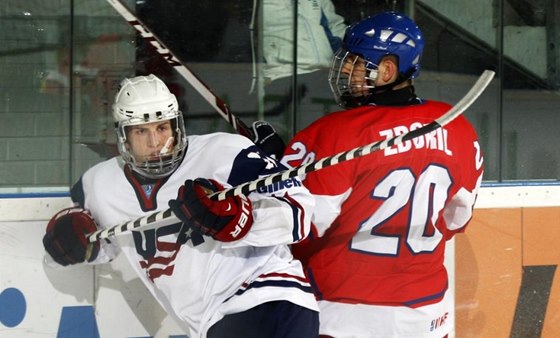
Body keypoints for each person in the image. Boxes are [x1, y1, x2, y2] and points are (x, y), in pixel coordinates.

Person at [42, 74, 319, 338]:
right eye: (141, 131)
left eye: (162, 128)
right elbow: (102, 244)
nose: (156, 143)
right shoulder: (99, 185)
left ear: (177, 125)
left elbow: (300, 213)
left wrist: (239, 220)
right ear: (123, 137)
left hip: (269, 298)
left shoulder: (225, 152)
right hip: (213, 323)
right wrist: (74, 244)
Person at [280, 12, 484, 338]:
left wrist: (280, 169)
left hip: (342, 308)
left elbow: (296, 228)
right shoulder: (456, 125)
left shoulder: (332, 133)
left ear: (387, 70)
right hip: (427, 309)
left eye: (356, 62)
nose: (345, 69)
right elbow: (457, 219)